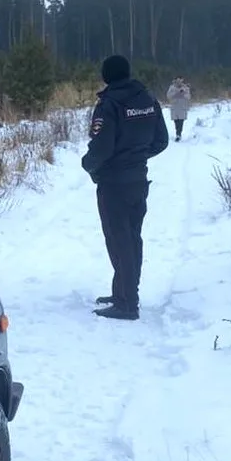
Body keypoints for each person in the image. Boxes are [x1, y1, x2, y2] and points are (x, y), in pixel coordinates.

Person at [81, 55, 169, 320]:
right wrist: (137, 156)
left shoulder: (109, 104)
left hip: (114, 183)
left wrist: (89, 165)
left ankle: (127, 303)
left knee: (120, 241)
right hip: (138, 180)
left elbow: (102, 146)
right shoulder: (147, 99)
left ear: (107, 76)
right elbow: (161, 140)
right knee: (132, 238)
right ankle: (124, 291)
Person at [166, 76, 191, 142]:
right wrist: (176, 93)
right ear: (175, 80)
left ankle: (178, 134)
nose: (179, 82)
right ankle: (178, 133)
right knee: (176, 121)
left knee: (181, 121)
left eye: (180, 80)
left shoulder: (186, 88)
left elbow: (188, 97)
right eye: (178, 80)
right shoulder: (171, 87)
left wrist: (183, 94)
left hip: (182, 107)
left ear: (182, 80)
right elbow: (168, 96)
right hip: (175, 107)